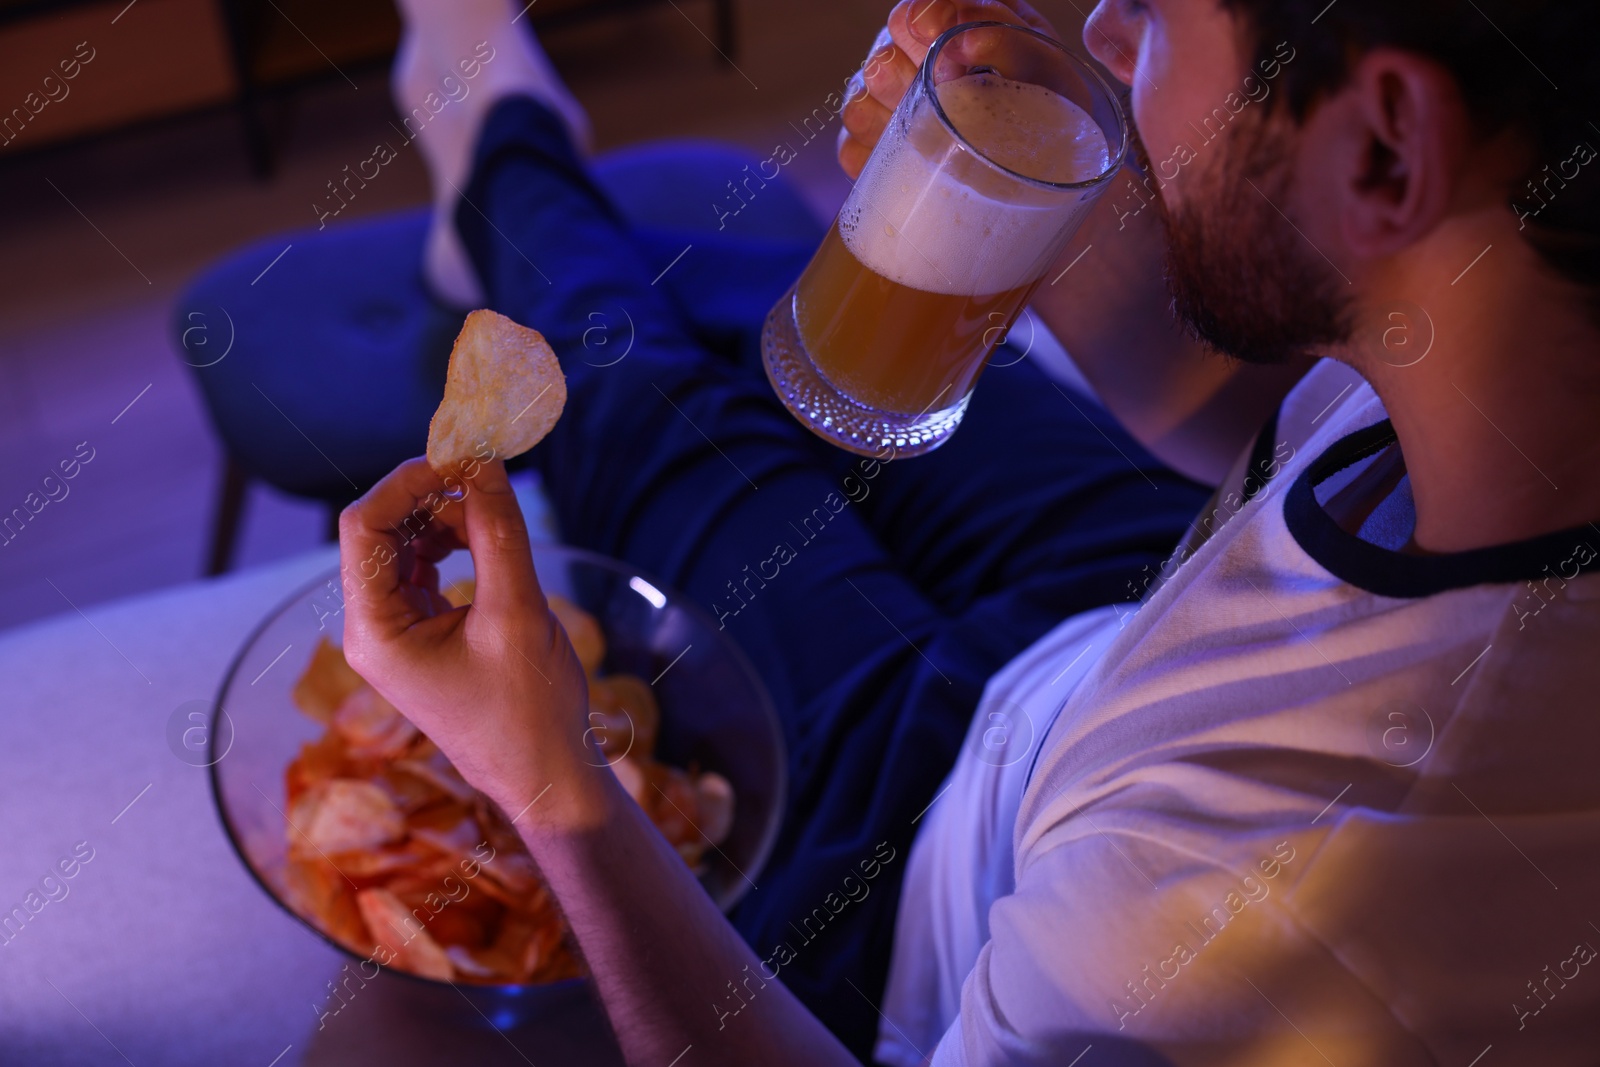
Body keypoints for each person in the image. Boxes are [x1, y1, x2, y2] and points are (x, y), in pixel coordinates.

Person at [340, 0, 1600, 1063]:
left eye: (1158, 13)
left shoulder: (1236, 922)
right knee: (778, 301)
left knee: (630, 386)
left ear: (1383, 150)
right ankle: (525, 198)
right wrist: (1070, 237)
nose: (1104, 33)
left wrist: (555, 785)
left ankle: (501, 134)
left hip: (913, 859)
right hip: (1128, 617)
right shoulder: (1534, 357)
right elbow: (1303, 418)